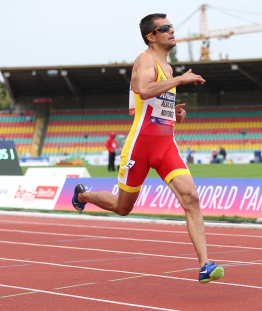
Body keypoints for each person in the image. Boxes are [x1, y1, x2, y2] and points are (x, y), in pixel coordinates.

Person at [71, 13, 224, 284]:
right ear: (151, 36)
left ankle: (204, 265)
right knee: (122, 207)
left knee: (191, 198)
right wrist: (179, 81)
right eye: (165, 28)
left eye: (172, 26)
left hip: (166, 145)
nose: (172, 31)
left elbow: (154, 103)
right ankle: (83, 196)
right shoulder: (144, 60)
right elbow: (142, 89)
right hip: (139, 147)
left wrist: (172, 112)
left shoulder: (167, 66)